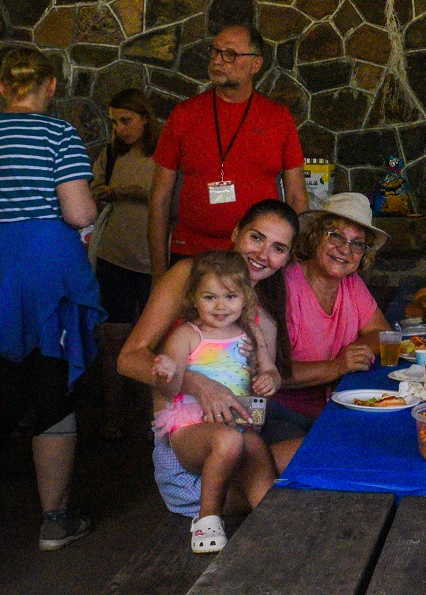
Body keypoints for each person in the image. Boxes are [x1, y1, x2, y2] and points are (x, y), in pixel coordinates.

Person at [0, 47, 103, 550]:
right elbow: (79, 213)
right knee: (51, 392)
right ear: (51, 85)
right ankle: (55, 520)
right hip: (48, 275)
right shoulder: (59, 135)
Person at [118, 199, 304, 473]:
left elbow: (255, 405)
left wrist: (262, 377)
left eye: (278, 248)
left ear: (287, 258)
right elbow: (128, 358)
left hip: (238, 434)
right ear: (235, 233)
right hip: (183, 440)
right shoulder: (189, 276)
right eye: (256, 238)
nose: (263, 255)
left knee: (323, 447)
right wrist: (196, 382)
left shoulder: (263, 316)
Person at [149, 23, 309, 281]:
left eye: (230, 54)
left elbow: (297, 198)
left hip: (257, 262)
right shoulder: (184, 115)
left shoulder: (278, 118)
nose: (218, 61)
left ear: (256, 64)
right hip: (190, 255)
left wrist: (291, 269)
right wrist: (158, 271)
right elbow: (159, 198)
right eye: (215, 52)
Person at [151, 251, 278, 553]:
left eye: (230, 296)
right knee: (229, 441)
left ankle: (272, 517)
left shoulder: (251, 333)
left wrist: (269, 378)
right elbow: (168, 391)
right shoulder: (187, 335)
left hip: (239, 424)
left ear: (245, 297)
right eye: (209, 297)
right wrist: (167, 373)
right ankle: (207, 517)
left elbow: (270, 369)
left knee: (256, 449)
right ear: (194, 298)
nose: (220, 306)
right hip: (191, 429)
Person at [272, 192, 391, 427]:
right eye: (336, 236)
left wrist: (351, 356)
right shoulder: (284, 287)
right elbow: (270, 371)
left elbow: (381, 332)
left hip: (335, 407)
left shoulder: (351, 283)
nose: (345, 250)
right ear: (315, 236)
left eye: (357, 243)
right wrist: (336, 367)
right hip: (284, 412)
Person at [91, 88, 161, 441]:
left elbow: (168, 202)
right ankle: (113, 415)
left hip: (152, 264)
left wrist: (133, 193)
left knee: (155, 346)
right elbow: (91, 195)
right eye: (115, 121)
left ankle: (156, 420)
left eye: (126, 120)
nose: (120, 128)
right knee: (113, 342)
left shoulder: (162, 156)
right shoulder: (110, 156)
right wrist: (101, 191)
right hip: (114, 259)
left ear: (144, 119)